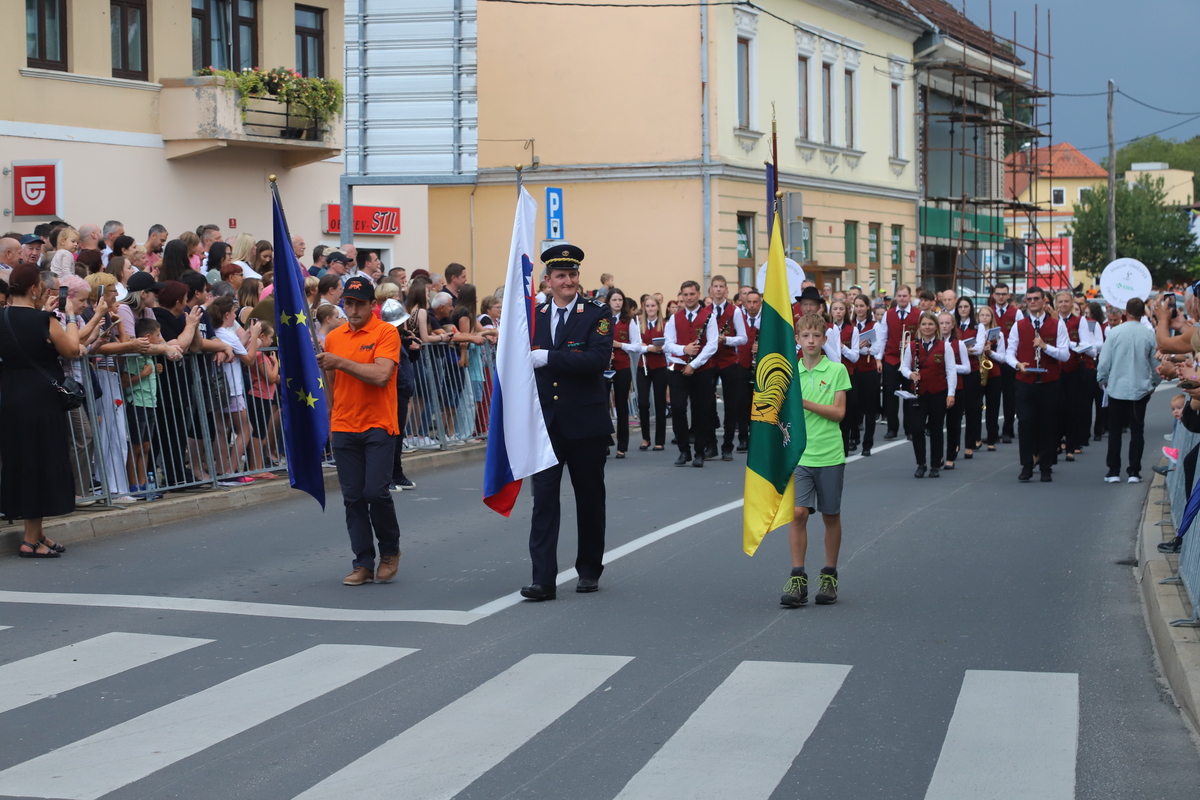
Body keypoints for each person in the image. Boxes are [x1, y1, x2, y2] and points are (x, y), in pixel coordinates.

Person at [520, 244, 612, 600]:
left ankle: (589, 569)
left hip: (586, 423)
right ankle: (543, 579)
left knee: (589, 500)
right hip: (546, 425)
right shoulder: (536, 316)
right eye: (561, 276)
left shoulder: (596, 313)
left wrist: (549, 357)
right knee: (543, 501)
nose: (568, 281)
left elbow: (597, 359)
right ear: (548, 280)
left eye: (572, 274)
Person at [1, 265, 94, 557]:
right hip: (41, 399)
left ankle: (38, 534)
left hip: (11, 396)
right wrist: (69, 317)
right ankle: (30, 540)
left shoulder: (2, 316)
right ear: (34, 289)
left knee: (22, 460)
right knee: (41, 461)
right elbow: (71, 349)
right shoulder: (44, 319)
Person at [317, 276, 403, 586]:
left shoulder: (386, 332)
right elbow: (331, 382)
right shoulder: (334, 337)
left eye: (359, 304)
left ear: (372, 305)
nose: (353, 310)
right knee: (353, 497)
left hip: (378, 422)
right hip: (344, 425)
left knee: (375, 492)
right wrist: (333, 415)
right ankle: (363, 562)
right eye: (348, 304)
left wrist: (340, 362)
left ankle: (390, 550)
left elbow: (381, 375)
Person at [780, 313, 850, 608]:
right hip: (800, 455)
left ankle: (829, 576)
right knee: (798, 514)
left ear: (824, 339)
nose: (811, 341)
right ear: (797, 339)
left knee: (830, 516)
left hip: (829, 454)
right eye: (805, 336)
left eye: (816, 336)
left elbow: (839, 413)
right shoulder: (789, 373)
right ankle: (798, 578)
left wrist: (804, 402)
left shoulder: (836, 370)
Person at [1004, 286, 1069, 483]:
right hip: (1025, 382)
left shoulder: (1057, 325)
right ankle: (1027, 465)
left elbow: (1065, 354)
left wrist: (1045, 347)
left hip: (1050, 382)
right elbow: (1009, 352)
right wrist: (1017, 364)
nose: (1032, 302)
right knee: (1025, 423)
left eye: (1036, 298)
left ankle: (1046, 466)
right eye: (1029, 299)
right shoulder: (1019, 325)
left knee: (1048, 424)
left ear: (1043, 301)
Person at [1096, 297, 1161, 484]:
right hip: (1140, 388)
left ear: (1126, 312)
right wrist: (1153, 384)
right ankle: (1134, 471)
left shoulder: (1115, 332)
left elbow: (1105, 360)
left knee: (1115, 430)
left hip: (1117, 387)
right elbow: (1156, 363)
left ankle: (1113, 470)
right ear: (1143, 313)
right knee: (1137, 430)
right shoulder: (1149, 334)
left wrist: (1102, 378)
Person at [664, 279, 719, 468]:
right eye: (685, 294)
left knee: (701, 411)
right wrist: (683, 350)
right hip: (679, 369)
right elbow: (668, 344)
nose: (689, 297)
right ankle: (684, 450)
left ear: (698, 294)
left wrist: (694, 364)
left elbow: (712, 345)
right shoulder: (674, 318)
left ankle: (699, 452)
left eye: (692, 294)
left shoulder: (709, 316)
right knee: (678, 408)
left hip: (702, 370)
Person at [900, 311, 957, 478]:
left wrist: (951, 394)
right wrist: (910, 374)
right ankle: (921, 463)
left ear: (936, 327)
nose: (927, 327)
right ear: (919, 326)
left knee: (936, 429)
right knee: (917, 429)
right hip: (918, 393)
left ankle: (935, 464)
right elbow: (904, 367)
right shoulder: (912, 346)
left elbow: (951, 371)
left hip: (938, 392)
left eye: (930, 324)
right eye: (924, 324)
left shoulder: (945, 346)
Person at [705, 276, 749, 461]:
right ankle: (711, 445)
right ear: (710, 290)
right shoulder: (705, 311)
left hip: (729, 361)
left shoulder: (735, 311)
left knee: (731, 405)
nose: (718, 289)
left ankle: (727, 447)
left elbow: (743, 337)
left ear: (726, 290)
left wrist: (727, 340)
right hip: (708, 361)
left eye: (721, 286)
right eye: (715, 286)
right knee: (707, 404)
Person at [121, 317, 165, 497]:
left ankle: (144, 483)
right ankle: (133, 485)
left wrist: (156, 369)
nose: (160, 339)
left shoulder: (150, 356)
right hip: (137, 403)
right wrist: (144, 374)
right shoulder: (135, 357)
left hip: (150, 403)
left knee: (146, 446)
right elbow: (124, 381)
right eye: (157, 335)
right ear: (147, 337)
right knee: (136, 446)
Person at [1055, 289, 1097, 461]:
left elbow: (1087, 346)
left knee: (1073, 408)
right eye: (1060, 301)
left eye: (1067, 301)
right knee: (1056, 408)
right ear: (1056, 304)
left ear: (1072, 303)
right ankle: (1057, 442)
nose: (1063, 304)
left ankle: (1072, 446)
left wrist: (1069, 343)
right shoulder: (1052, 320)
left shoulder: (1080, 321)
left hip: (1074, 369)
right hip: (1055, 369)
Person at [876, 285, 919, 440]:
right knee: (890, 395)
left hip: (910, 361)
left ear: (910, 297)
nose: (901, 299)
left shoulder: (918, 314)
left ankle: (910, 429)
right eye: (899, 296)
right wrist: (879, 358)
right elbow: (883, 338)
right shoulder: (888, 314)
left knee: (909, 395)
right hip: (892, 358)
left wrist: (912, 344)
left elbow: (921, 336)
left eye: (904, 296)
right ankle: (892, 428)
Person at [844, 293, 882, 456]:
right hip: (853, 370)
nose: (859, 309)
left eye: (862, 306)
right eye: (856, 306)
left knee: (870, 408)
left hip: (869, 370)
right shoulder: (850, 325)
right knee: (852, 405)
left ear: (867, 307)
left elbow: (876, 349)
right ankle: (854, 437)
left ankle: (868, 443)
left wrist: (858, 348)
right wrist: (860, 348)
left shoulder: (875, 325)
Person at [605, 288, 640, 458]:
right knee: (603, 405)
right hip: (604, 367)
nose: (617, 303)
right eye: (614, 300)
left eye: (620, 300)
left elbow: (637, 346)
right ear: (609, 302)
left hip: (622, 367)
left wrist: (620, 345)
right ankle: (604, 442)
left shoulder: (629, 321)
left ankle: (622, 445)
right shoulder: (602, 320)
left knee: (621, 405)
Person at [635, 295, 669, 451]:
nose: (650, 309)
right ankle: (646, 438)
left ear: (658, 308)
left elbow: (669, 345)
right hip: (643, 366)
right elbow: (635, 346)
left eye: (653, 306)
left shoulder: (665, 325)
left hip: (660, 366)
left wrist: (658, 348)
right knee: (643, 402)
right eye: (647, 306)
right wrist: (648, 348)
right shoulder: (639, 325)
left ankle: (659, 440)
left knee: (660, 402)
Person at [939, 312, 971, 469]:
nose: (944, 326)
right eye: (941, 323)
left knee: (953, 424)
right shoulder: (934, 343)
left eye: (947, 323)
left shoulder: (959, 344)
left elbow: (967, 368)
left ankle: (950, 456)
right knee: (936, 425)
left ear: (952, 325)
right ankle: (938, 455)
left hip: (956, 389)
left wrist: (951, 367)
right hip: (938, 388)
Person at [989, 283, 1020, 443]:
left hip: (1009, 361)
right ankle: (992, 432)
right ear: (993, 295)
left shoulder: (1016, 312)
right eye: (998, 293)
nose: (1000, 296)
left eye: (1003, 294)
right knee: (993, 400)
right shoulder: (988, 311)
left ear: (1008, 295)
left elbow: (1021, 335)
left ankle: (1008, 430)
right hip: (992, 360)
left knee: (1009, 398)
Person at [734, 290, 762, 452]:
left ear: (760, 303)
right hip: (742, 365)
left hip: (761, 366)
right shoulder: (739, 317)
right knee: (742, 402)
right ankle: (743, 438)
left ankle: (757, 438)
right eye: (749, 302)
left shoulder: (766, 319)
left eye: (755, 302)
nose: (751, 306)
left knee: (759, 403)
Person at [974, 305, 1004, 452]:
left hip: (994, 374)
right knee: (976, 407)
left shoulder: (999, 334)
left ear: (992, 317)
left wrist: (991, 352)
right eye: (982, 315)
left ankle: (992, 438)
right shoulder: (975, 332)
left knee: (993, 407)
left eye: (987, 315)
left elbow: (1003, 357)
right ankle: (976, 438)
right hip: (977, 373)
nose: (984, 318)